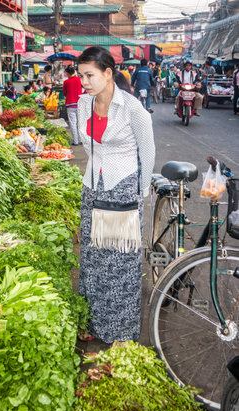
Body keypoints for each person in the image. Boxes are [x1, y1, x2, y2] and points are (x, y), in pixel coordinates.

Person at [77, 46, 155, 344]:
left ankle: (121, 331)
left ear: (108, 73)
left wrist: (140, 193)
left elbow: (147, 153)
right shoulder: (84, 105)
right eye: (81, 75)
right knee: (93, 257)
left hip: (123, 189)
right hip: (92, 188)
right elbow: (88, 147)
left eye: (89, 75)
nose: (83, 82)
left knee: (120, 261)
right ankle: (93, 323)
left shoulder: (133, 108)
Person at [63, 65, 83, 146]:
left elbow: (65, 93)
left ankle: (75, 141)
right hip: (80, 103)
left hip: (70, 104)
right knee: (80, 123)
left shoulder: (66, 82)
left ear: (67, 73)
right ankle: (81, 140)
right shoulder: (79, 80)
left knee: (73, 124)